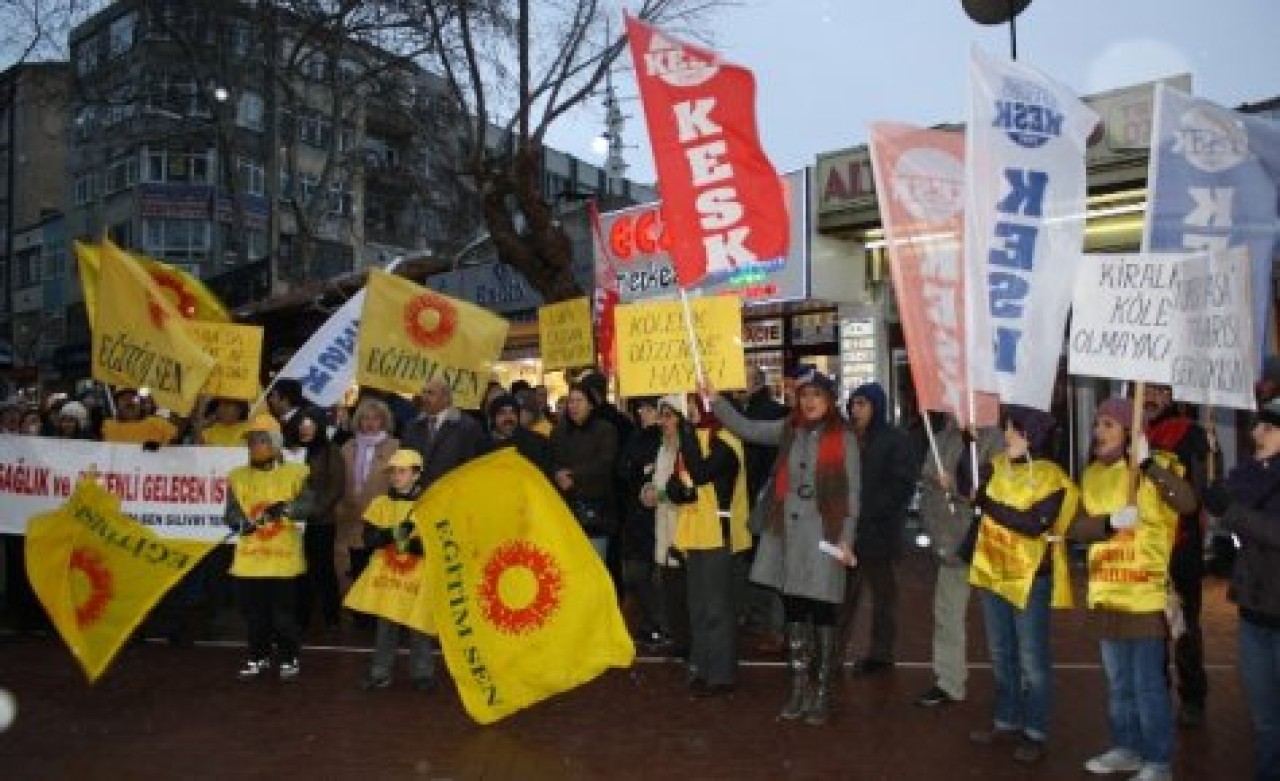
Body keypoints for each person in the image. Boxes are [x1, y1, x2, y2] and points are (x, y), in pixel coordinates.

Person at [706, 366, 860, 726]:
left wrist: (847, 540)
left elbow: (853, 494)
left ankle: (821, 692)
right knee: (794, 611)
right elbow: (746, 428)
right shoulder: (788, 429)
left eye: (816, 396)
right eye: (804, 395)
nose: (809, 402)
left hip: (826, 535)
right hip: (788, 535)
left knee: (822, 612)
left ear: (829, 400)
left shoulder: (845, 437)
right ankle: (798, 688)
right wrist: (716, 400)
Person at [1070, 398, 1194, 781]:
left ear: (1129, 432)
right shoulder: (1090, 474)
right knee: (1119, 684)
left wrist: (1148, 465)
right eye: (1098, 424)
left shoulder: (1158, 468)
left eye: (1108, 424)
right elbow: (1075, 528)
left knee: (1147, 686)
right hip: (1107, 595)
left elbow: (1188, 503)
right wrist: (1108, 523)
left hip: (1144, 597)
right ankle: (1126, 748)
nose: (1098, 432)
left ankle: (1158, 760)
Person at [968, 404, 1079, 764]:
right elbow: (965, 481)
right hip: (993, 573)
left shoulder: (1052, 476)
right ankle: (1006, 718)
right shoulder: (996, 465)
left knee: (1032, 659)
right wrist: (967, 442)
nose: (1006, 435)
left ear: (1032, 435)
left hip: (1031, 578)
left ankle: (1035, 729)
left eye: (1014, 429)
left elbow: (1034, 523)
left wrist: (988, 503)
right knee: (1001, 653)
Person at [647, 394, 751, 697]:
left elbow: (703, 472)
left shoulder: (727, 443)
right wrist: (674, 490)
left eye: (693, 407)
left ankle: (721, 674)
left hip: (718, 534)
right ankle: (701, 667)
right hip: (693, 534)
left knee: (717, 607)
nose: (687, 413)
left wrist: (688, 438)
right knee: (698, 606)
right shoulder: (696, 441)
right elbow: (681, 488)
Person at [1203, 398, 1280, 781]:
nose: (1256, 434)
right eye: (1258, 426)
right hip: (1254, 611)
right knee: (1264, 720)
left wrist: (1229, 509)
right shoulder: (1249, 475)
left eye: (1268, 427)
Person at [913, 412, 1002, 708]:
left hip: (990, 544)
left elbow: (998, 491)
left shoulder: (993, 437)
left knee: (1001, 620)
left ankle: (1013, 686)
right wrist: (935, 530)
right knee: (947, 615)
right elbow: (929, 487)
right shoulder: (940, 438)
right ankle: (949, 681)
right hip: (953, 544)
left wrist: (956, 488)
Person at [222, 414, 314, 681]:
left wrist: (285, 508)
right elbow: (229, 513)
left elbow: (310, 506)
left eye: (260, 441)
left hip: (283, 559)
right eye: (251, 441)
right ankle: (257, 657)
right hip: (249, 560)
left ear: (275, 443)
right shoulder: (237, 477)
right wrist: (242, 523)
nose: (254, 446)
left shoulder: (297, 472)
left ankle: (289, 657)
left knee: (283, 615)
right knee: (254, 615)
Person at [1142, 383, 1210, 728]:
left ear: (1171, 395)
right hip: (1143, 549)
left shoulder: (1189, 433)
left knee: (1183, 627)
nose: (1151, 398)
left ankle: (1193, 697)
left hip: (1180, 545)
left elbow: (1194, 494)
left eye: (1159, 391)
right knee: (1150, 627)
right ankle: (1155, 694)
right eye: (1147, 390)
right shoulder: (1133, 431)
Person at [839, 382, 918, 674]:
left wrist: (870, 511)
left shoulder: (894, 439)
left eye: (862, 404)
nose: (855, 410)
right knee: (842, 597)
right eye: (853, 404)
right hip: (849, 532)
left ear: (877, 406)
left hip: (879, 532)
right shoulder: (848, 438)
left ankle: (881, 655)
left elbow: (901, 485)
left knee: (883, 597)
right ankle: (833, 652)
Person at [351, 448, 437, 692]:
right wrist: (391, 534)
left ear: (416, 474)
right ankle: (380, 673)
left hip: (417, 577)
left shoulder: (428, 506)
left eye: (402, 471)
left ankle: (422, 673)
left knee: (419, 624)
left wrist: (404, 542)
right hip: (386, 578)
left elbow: (430, 545)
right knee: (386, 624)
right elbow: (369, 538)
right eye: (393, 472)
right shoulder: (380, 504)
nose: (395, 476)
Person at [617, 396, 669, 648]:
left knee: (657, 575)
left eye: (648, 409)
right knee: (637, 575)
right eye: (641, 409)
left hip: (659, 516)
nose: (642, 413)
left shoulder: (667, 439)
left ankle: (660, 624)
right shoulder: (636, 437)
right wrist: (640, 469)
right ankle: (653, 622)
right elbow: (623, 470)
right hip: (637, 516)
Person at [335, 397, 400, 590]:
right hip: (349, 520)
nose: (370, 423)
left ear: (384, 421)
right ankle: (352, 617)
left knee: (375, 577)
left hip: (380, 522)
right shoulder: (346, 448)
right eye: (365, 418)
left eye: (376, 418)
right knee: (350, 572)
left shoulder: (396, 447)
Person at [549, 383, 619, 560]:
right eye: (571, 401)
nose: (574, 406)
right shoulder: (558, 432)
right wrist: (557, 474)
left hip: (597, 510)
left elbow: (605, 463)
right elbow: (552, 459)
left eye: (579, 400)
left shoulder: (605, 430)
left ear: (591, 404)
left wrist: (573, 476)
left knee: (595, 563)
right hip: (566, 509)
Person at [293, 407, 346, 634]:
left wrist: (315, 510)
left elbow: (336, 487)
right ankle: (302, 616)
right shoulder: (290, 451)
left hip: (321, 521)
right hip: (294, 522)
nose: (305, 428)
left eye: (310, 423)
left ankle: (331, 616)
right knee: (299, 570)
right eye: (301, 424)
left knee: (323, 569)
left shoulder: (330, 451)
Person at [400, 378, 488, 490]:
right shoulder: (412, 426)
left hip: (448, 494)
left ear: (446, 398)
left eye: (430, 393)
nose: (424, 397)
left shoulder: (467, 427)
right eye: (424, 392)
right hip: (413, 495)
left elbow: (470, 465)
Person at [486, 393, 553, 477]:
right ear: (493, 418)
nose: (508, 417)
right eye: (502, 413)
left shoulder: (535, 443)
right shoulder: (484, 445)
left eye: (512, 412)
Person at [101, 388, 177, 446]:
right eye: (123, 399)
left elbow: (177, 438)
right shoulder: (108, 426)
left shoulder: (157, 423)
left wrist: (160, 448)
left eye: (134, 398)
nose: (129, 402)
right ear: (117, 404)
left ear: (140, 403)